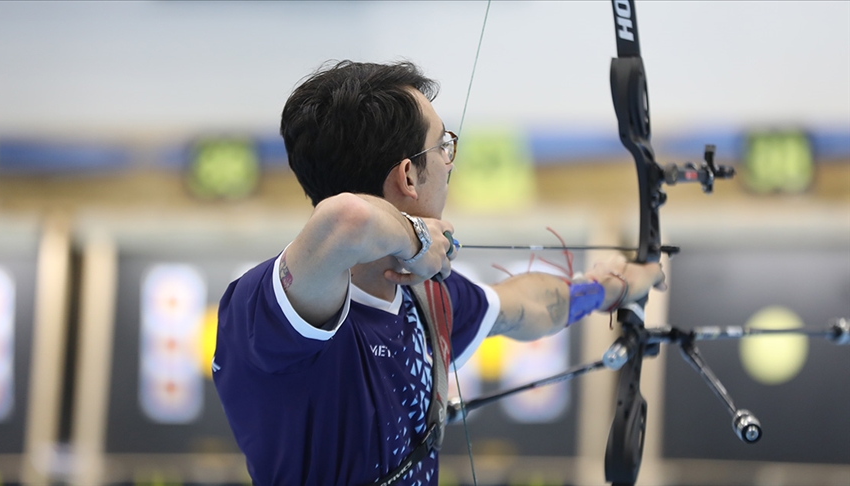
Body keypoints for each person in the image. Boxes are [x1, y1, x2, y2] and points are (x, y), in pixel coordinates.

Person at [212, 60, 666, 486]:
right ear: (408, 176)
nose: (450, 161)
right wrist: (419, 240)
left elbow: (523, 307)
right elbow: (347, 219)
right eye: (443, 146)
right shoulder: (268, 312)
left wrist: (610, 288)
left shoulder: (425, 300)